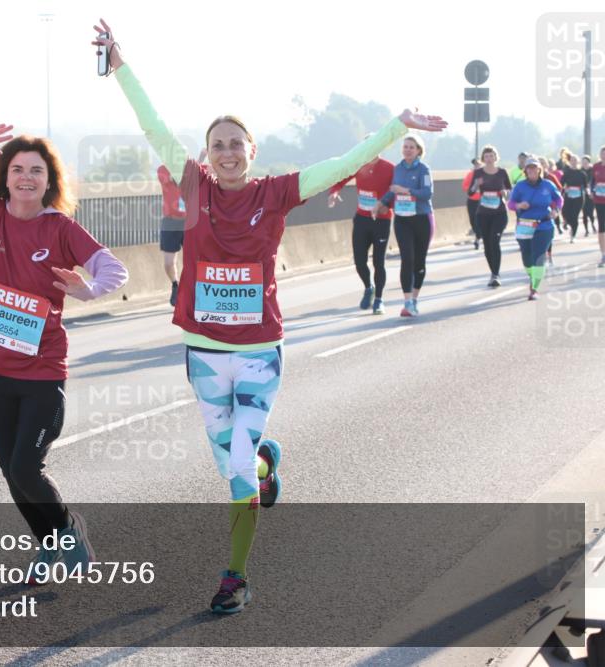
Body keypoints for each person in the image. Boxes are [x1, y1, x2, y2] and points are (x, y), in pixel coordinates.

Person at [93, 18, 446, 614]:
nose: (227, 153)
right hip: (204, 355)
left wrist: (394, 127)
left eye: (237, 143)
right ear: (206, 156)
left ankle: (235, 576)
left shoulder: (277, 192)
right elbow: (152, 125)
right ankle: (265, 459)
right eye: (217, 145)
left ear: (252, 152)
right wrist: (120, 65)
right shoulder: (194, 184)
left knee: (234, 473)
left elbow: (342, 164)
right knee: (235, 458)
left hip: (258, 353)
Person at [0, 126, 129, 582]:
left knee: (27, 465)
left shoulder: (60, 228)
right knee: (8, 466)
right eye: (18, 169)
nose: (26, 178)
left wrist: (91, 288)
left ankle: (67, 529)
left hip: (42, 369)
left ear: (49, 181)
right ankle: (46, 547)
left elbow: (113, 268)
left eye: (36, 171)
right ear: (7, 176)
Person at [327, 146, 395, 314]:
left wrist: (388, 206)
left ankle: (379, 300)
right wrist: (334, 192)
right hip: (362, 219)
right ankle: (368, 287)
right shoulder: (358, 165)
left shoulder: (389, 168)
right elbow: (341, 178)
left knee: (379, 262)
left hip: (381, 220)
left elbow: (395, 190)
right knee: (359, 261)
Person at [377, 136, 434, 317]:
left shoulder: (424, 169)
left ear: (418, 150)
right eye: (405, 147)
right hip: (402, 219)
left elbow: (427, 193)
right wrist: (381, 203)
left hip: (421, 218)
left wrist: (407, 191)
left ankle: (415, 298)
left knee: (419, 261)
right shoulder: (398, 169)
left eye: (412, 147)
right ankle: (407, 302)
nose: (408, 150)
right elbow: (392, 191)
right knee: (406, 258)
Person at [508, 157, 562, 301]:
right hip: (525, 224)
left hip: (544, 225)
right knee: (527, 257)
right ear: (525, 170)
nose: (532, 170)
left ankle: (534, 288)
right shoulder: (520, 186)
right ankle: (533, 277)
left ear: (539, 169)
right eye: (529, 168)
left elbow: (558, 199)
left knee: (538, 256)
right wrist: (519, 205)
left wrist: (556, 211)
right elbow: (511, 204)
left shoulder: (548, 185)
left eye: (534, 167)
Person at [467, 146, 512, 287]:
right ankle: (492, 272)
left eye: (491, 156)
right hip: (483, 213)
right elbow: (470, 192)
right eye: (486, 156)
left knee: (494, 240)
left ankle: (496, 274)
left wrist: (505, 193)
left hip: (499, 213)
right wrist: (475, 185)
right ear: (483, 158)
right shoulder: (478, 173)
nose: (489, 158)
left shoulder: (502, 172)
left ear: (495, 157)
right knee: (487, 244)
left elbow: (510, 190)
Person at [158, 163, 187, 306]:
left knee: (193, 260)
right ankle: (176, 285)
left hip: (190, 221)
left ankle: (191, 290)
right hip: (170, 222)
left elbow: (210, 172)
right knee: (169, 263)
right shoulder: (163, 169)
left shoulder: (192, 168)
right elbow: (179, 178)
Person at [560, 153, 588, 244]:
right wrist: (563, 190)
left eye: (575, 160)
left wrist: (588, 192)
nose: (574, 162)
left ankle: (573, 235)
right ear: (569, 162)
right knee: (565, 212)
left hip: (579, 197)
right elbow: (561, 184)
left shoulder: (582, 173)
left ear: (578, 162)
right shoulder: (566, 172)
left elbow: (585, 186)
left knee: (575, 216)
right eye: (572, 160)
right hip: (568, 196)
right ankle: (566, 222)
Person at [462, 157, 482, 249]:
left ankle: (478, 239)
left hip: (482, 201)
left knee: (480, 220)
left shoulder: (485, 175)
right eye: (475, 164)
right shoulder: (470, 175)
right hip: (472, 200)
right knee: (473, 220)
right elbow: (465, 187)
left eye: (478, 164)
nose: (476, 166)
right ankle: (478, 235)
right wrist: (472, 189)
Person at [592, 146, 605, 267]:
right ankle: (603, 254)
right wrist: (591, 191)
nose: (604, 155)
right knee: (601, 226)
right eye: (602, 153)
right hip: (599, 200)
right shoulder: (596, 167)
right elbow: (592, 181)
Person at [581, 155, 596, 236]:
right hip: (583, 194)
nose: (584, 164)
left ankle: (593, 224)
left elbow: (594, 181)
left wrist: (591, 190)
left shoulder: (593, 170)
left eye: (586, 162)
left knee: (590, 212)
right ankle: (586, 230)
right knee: (584, 213)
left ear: (589, 163)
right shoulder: (580, 171)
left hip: (592, 194)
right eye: (583, 163)